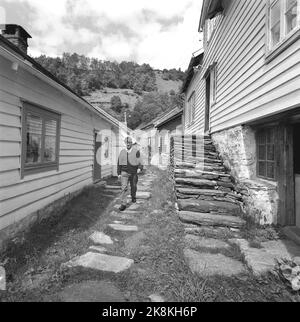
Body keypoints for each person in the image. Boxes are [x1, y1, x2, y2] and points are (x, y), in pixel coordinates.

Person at [117, 137, 143, 211]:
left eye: (129, 142)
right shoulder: (122, 152)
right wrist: (118, 173)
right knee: (124, 188)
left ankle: (133, 196)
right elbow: (119, 162)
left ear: (132, 143)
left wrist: (140, 168)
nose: (128, 144)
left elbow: (140, 161)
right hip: (124, 172)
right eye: (127, 142)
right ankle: (123, 204)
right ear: (125, 143)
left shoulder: (136, 151)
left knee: (133, 186)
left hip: (133, 172)